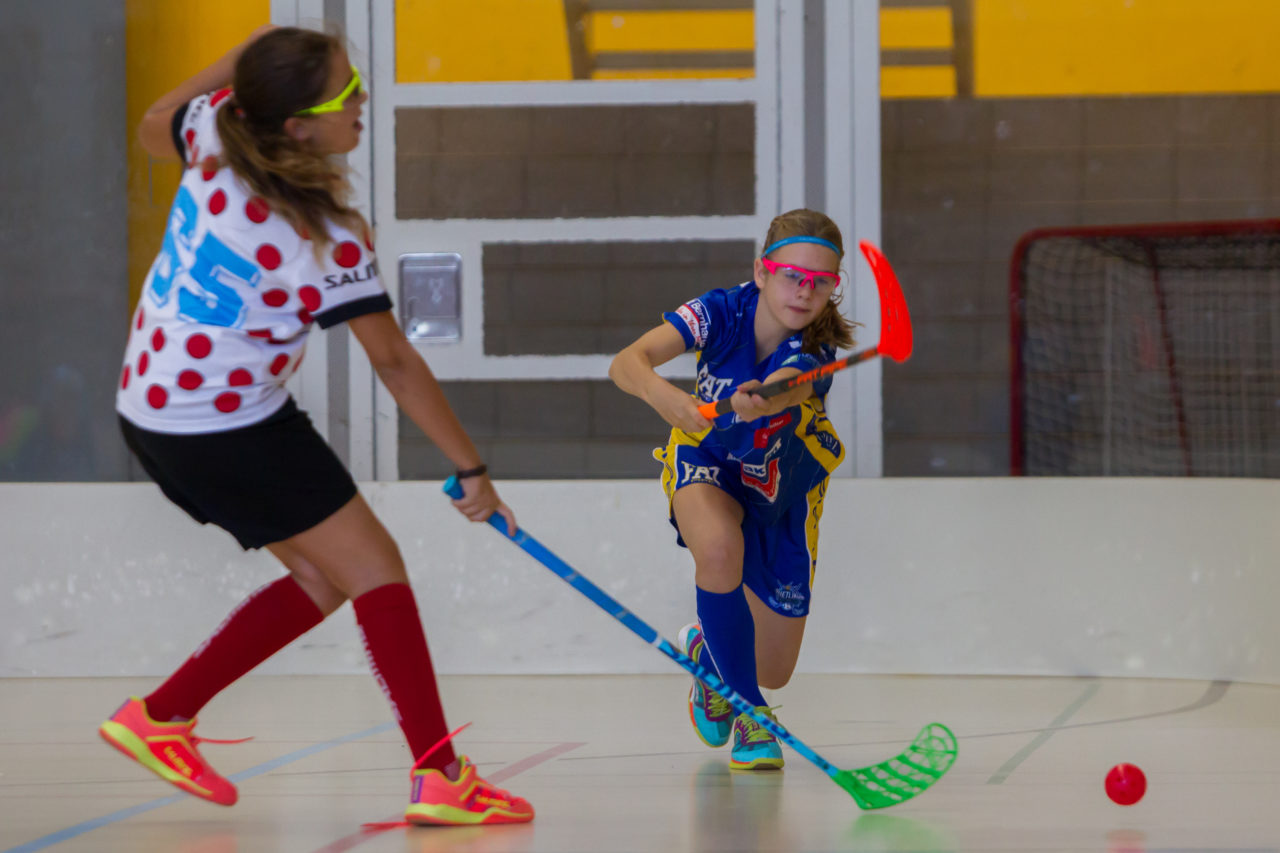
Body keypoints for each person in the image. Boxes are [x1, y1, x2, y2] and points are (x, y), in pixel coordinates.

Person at [100, 26, 533, 826]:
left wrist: (253, 60)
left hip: (154, 405)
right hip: (222, 422)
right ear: (297, 127)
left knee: (326, 576)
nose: (362, 102)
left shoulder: (214, 132)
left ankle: (160, 717)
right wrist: (471, 467)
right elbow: (395, 362)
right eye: (346, 96)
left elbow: (156, 116)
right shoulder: (324, 237)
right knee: (375, 567)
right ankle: (440, 776)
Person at [609, 209, 854, 770]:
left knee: (774, 667)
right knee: (718, 551)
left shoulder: (814, 346)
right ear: (762, 272)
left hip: (783, 486)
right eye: (793, 275)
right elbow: (627, 363)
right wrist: (661, 395)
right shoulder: (720, 311)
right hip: (710, 460)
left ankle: (710, 656)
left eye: (822, 281)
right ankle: (750, 715)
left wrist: (766, 396)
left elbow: (788, 387)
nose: (805, 291)